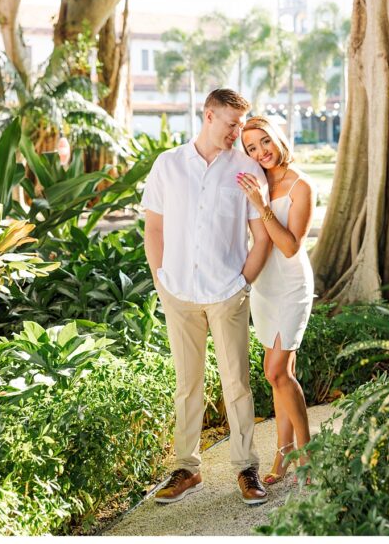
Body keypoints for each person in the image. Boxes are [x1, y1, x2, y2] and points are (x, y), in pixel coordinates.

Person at [143, 88, 272, 506]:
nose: (238, 131)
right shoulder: (169, 165)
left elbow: (262, 235)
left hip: (226, 293)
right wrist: (161, 282)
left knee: (236, 382)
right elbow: (155, 229)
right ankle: (186, 468)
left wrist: (242, 282)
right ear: (209, 115)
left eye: (240, 124)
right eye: (232, 123)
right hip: (178, 291)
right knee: (187, 383)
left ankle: (246, 468)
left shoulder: (247, 168)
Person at [237, 115, 315, 485]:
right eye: (251, 147)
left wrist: (261, 203)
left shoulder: (301, 186)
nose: (260, 151)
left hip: (290, 284)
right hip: (264, 287)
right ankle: (283, 453)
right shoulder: (255, 180)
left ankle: (307, 454)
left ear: (277, 138)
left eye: (264, 142)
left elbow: (288, 246)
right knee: (281, 376)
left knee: (275, 371)